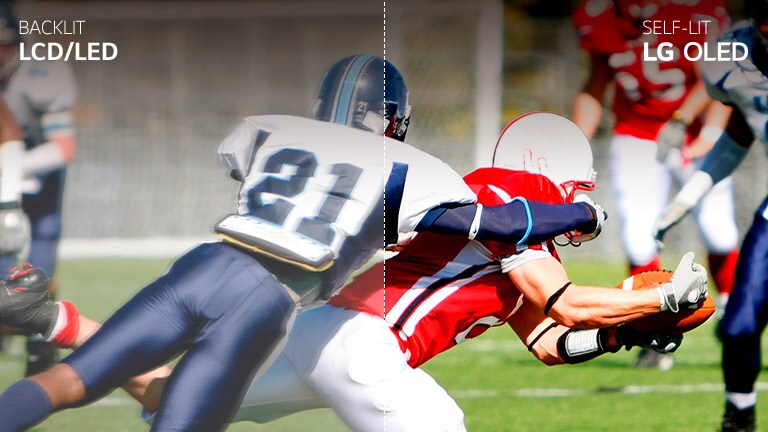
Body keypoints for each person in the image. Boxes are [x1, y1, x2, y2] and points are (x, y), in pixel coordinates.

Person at [0, 56, 610, 432]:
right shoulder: (406, 165)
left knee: (73, 383)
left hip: (206, 264)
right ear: (392, 118)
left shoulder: (269, 130)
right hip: (264, 302)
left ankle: (51, 321)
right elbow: (500, 225)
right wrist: (579, 211)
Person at [572, 0, 739, 370]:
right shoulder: (599, 17)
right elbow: (595, 84)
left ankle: (732, 311)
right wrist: (572, 146)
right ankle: (651, 329)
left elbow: (718, 78)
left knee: (718, 230)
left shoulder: (693, 14)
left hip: (694, 129)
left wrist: (703, 129)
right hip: (636, 133)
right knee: (637, 233)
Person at [654, 3, 768, 430]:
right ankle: (739, 415)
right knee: (738, 324)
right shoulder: (733, 58)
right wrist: (692, 193)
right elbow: (743, 130)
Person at [0, 2, 77, 375]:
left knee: (42, 244)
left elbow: (63, 147)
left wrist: (14, 171)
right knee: (1, 249)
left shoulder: (42, 74)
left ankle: (37, 332)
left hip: (38, 164)